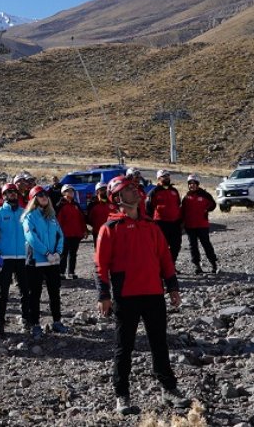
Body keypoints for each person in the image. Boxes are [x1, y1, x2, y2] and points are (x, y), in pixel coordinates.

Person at [95, 175, 190, 414]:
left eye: (135, 187)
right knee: (123, 347)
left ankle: (169, 389)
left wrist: (173, 287)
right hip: (126, 297)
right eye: (128, 189)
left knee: (160, 344)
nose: (135, 191)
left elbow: (165, 258)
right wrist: (103, 295)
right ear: (117, 197)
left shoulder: (151, 226)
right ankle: (122, 395)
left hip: (154, 294)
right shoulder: (109, 229)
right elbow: (100, 265)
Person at [21, 185, 67, 339]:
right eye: (40, 195)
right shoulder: (29, 217)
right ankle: (35, 325)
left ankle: (57, 321)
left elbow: (60, 235)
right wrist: (46, 253)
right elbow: (31, 238)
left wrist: (57, 253)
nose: (44, 197)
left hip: (52, 261)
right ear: (34, 199)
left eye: (45, 195)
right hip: (36, 261)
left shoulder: (51, 216)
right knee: (35, 294)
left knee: (55, 293)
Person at [0, 183, 28, 335]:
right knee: (2, 293)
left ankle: (26, 320)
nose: (12, 194)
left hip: (22, 258)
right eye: (9, 192)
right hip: (5, 258)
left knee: (25, 291)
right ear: (3, 195)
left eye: (14, 192)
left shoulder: (24, 213)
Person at [181, 174, 219, 274]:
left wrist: (206, 210)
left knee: (206, 244)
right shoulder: (186, 196)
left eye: (193, 184)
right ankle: (197, 266)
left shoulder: (204, 194)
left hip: (202, 225)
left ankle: (214, 264)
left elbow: (213, 204)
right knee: (193, 246)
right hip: (190, 226)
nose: (191, 186)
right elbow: (182, 210)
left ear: (197, 184)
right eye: (190, 184)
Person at [146, 170, 183, 268]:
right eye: (164, 176)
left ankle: (171, 266)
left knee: (176, 246)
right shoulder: (154, 192)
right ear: (158, 178)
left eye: (168, 176)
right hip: (161, 224)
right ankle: (160, 268)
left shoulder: (174, 191)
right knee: (162, 248)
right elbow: (149, 208)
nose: (166, 178)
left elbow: (178, 205)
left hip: (175, 223)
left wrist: (180, 221)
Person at [56, 184, 88, 279]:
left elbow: (81, 218)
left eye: (72, 191)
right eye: (68, 191)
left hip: (76, 233)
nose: (71, 192)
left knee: (73, 254)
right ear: (63, 193)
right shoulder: (60, 205)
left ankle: (71, 272)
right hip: (64, 234)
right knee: (63, 254)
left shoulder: (76, 205)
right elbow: (58, 221)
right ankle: (61, 273)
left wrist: (84, 230)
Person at [86, 182, 118, 248]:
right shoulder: (92, 204)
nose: (104, 191)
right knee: (99, 251)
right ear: (97, 191)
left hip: (113, 232)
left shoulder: (112, 202)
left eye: (106, 189)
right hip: (98, 232)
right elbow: (88, 219)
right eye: (102, 189)